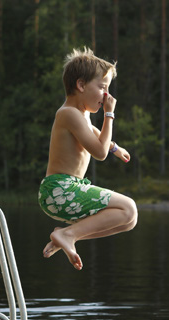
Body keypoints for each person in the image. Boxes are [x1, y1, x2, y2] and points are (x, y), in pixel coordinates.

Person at [39, 47, 137, 270]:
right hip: (60, 190)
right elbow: (99, 153)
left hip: (65, 191)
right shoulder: (68, 113)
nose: (106, 95)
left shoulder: (80, 115)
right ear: (81, 85)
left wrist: (115, 148)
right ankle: (68, 235)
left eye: (108, 89)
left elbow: (94, 134)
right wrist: (109, 115)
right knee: (128, 208)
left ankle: (65, 237)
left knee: (129, 221)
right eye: (102, 87)